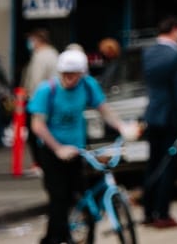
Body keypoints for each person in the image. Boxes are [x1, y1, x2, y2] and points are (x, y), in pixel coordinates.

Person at [28, 48, 135, 244]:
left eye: (73, 74)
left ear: (81, 73)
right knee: (59, 197)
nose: (69, 79)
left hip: (77, 149)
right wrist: (58, 148)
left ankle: (82, 235)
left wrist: (122, 126)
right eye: (65, 74)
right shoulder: (47, 90)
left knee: (82, 194)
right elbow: (37, 125)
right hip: (52, 151)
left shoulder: (87, 86)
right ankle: (54, 239)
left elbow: (104, 110)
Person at [139, 18, 177, 230]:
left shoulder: (148, 53)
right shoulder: (176, 55)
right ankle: (162, 213)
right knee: (168, 165)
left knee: (153, 163)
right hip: (171, 117)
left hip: (153, 115)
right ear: (175, 30)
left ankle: (148, 211)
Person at [22, 32, 60, 174]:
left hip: (39, 101)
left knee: (36, 132)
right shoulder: (54, 53)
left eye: (31, 40)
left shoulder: (40, 56)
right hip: (53, 99)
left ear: (38, 40)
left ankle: (40, 164)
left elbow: (36, 81)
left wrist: (29, 97)